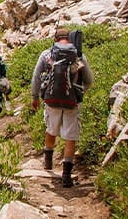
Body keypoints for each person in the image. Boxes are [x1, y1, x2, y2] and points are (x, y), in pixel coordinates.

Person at [31, 27, 94, 187]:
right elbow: (89, 81)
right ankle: (66, 175)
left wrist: (35, 96)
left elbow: (36, 77)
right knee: (70, 136)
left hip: (51, 101)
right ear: (70, 39)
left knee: (51, 129)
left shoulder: (47, 55)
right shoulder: (79, 56)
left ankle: (48, 162)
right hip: (73, 102)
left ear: (55, 39)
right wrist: (78, 93)